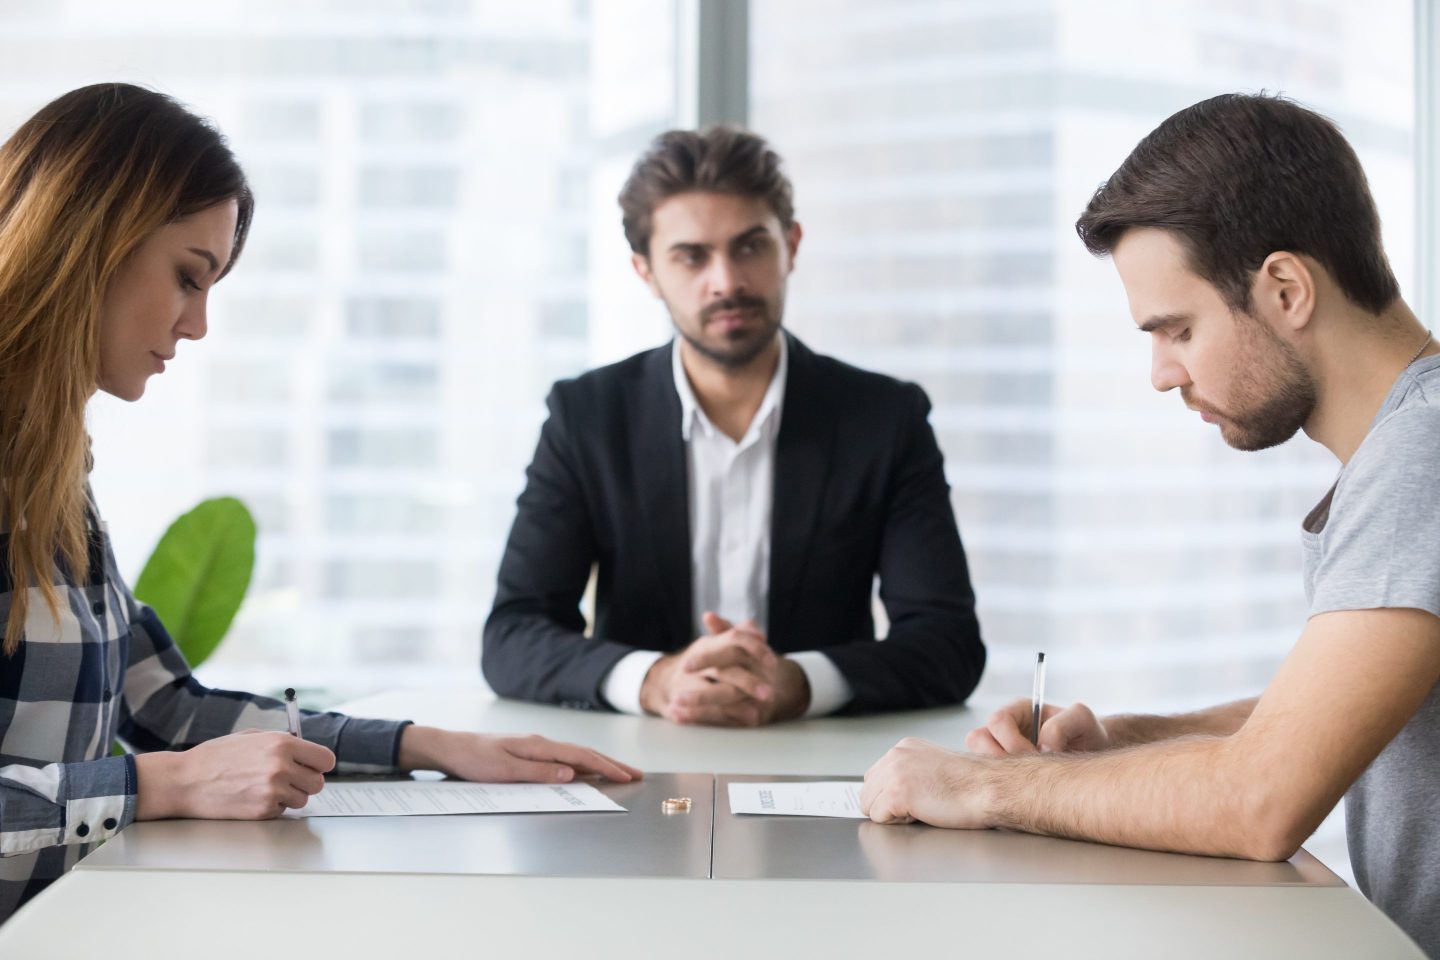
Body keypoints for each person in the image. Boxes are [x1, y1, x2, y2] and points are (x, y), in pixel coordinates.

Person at [0, 83, 640, 924]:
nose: (197, 326)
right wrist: (152, 785)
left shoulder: (51, 470)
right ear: (92, 236)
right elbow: (164, 756)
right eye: (189, 278)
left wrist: (428, 747)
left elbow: (166, 706)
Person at [859, 93, 1440, 955]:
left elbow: (1260, 800)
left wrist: (982, 790)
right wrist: (1116, 749)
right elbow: (1338, 715)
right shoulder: (1406, 446)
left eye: (1178, 329)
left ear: (1285, 288)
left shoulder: (1419, 457)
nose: (1162, 374)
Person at [483, 126, 985, 725]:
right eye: (691, 256)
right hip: (639, 764)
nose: (726, 281)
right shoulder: (587, 417)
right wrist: (653, 680)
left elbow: (947, 643)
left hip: (823, 767)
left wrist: (798, 683)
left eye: (750, 246)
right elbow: (513, 634)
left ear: (791, 246)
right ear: (645, 272)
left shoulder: (885, 419)